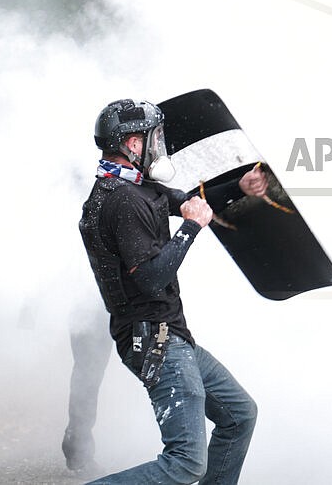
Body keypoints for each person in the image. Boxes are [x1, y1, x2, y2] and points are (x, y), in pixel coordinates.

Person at [79, 98, 260, 484]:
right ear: (131, 144)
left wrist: (237, 187)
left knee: (239, 414)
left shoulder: (136, 186)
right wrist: (190, 229)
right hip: (154, 340)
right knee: (184, 463)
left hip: (170, 333)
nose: (159, 145)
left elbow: (185, 202)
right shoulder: (121, 201)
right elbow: (149, 278)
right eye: (153, 137)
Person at [62, 301, 112, 476]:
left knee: (89, 376)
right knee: (88, 377)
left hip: (103, 312)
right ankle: (78, 454)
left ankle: (78, 449)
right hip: (91, 313)